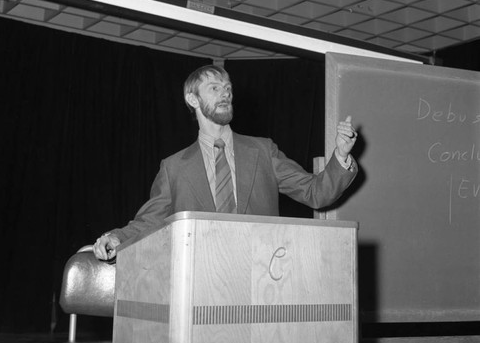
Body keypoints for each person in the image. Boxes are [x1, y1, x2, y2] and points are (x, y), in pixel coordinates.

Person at [93, 64, 358, 261]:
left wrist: (341, 155)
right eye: (215, 88)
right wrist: (117, 238)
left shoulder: (263, 151)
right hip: (201, 277)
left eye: (228, 89)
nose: (225, 94)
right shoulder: (174, 168)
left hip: (263, 274)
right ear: (192, 99)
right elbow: (149, 222)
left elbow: (316, 193)